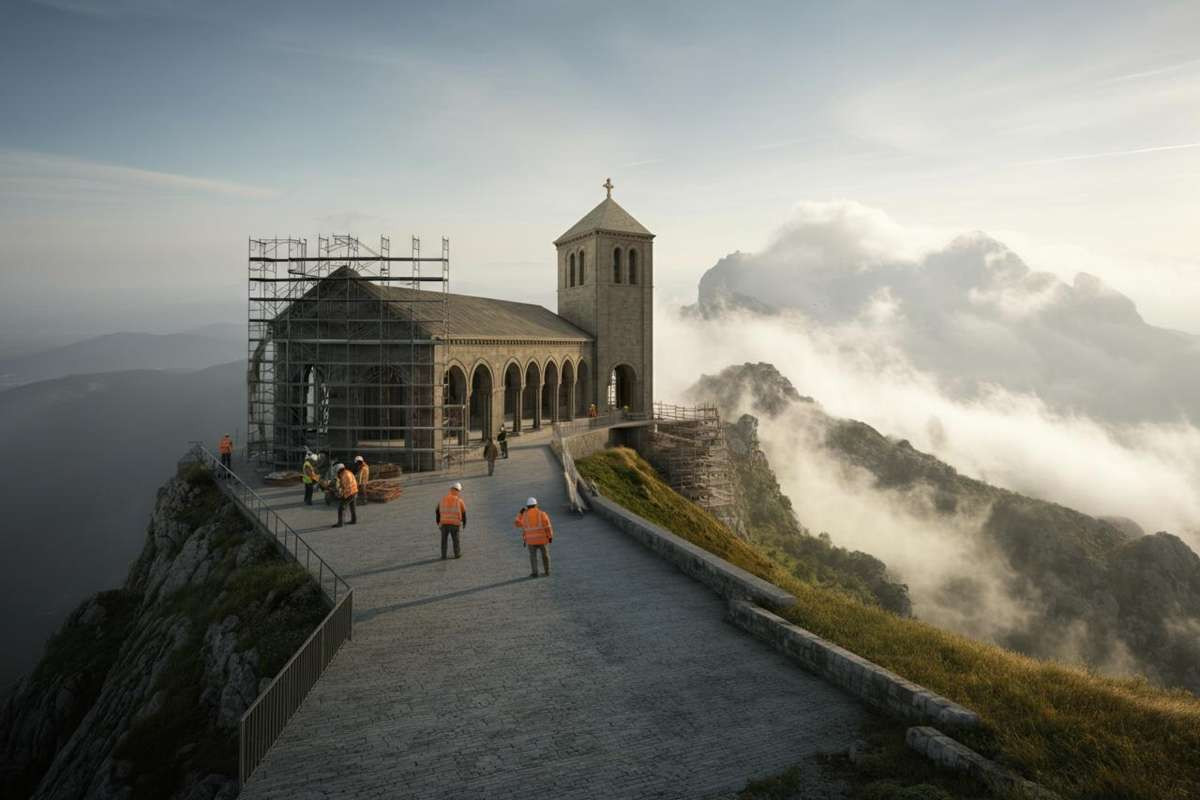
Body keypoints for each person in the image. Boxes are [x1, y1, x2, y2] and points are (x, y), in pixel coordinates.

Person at [514, 496, 553, 578]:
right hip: (542, 540)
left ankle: (535, 573)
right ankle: (547, 572)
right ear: (536, 505)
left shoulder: (524, 515)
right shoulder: (542, 514)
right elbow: (548, 526)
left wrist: (520, 513)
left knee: (533, 557)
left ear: (527, 506)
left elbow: (517, 523)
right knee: (545, 555)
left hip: (531, 541)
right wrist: (550, 537)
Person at [435, 482, 467, 559]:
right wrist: (464, 523)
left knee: (444, 541)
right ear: (458, 491)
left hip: (444, 523)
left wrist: (438, 522)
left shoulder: (442, 499)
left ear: (450, 490)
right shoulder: (459, 501)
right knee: (455, 540)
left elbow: (437, 511)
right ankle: (457, 554)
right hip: (454, 524)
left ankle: (443, 555)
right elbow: (464, 513)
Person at [332, 463, 358, 528]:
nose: (337, 473)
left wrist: (340, 494)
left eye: (337, 471)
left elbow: (345, 487)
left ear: (338, 470)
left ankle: (340, 523)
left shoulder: (344, 475)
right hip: (355, 491)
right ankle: (354, 520)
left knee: (341, 507)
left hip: (350, 493)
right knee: (352, 507)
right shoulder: (348, 472)